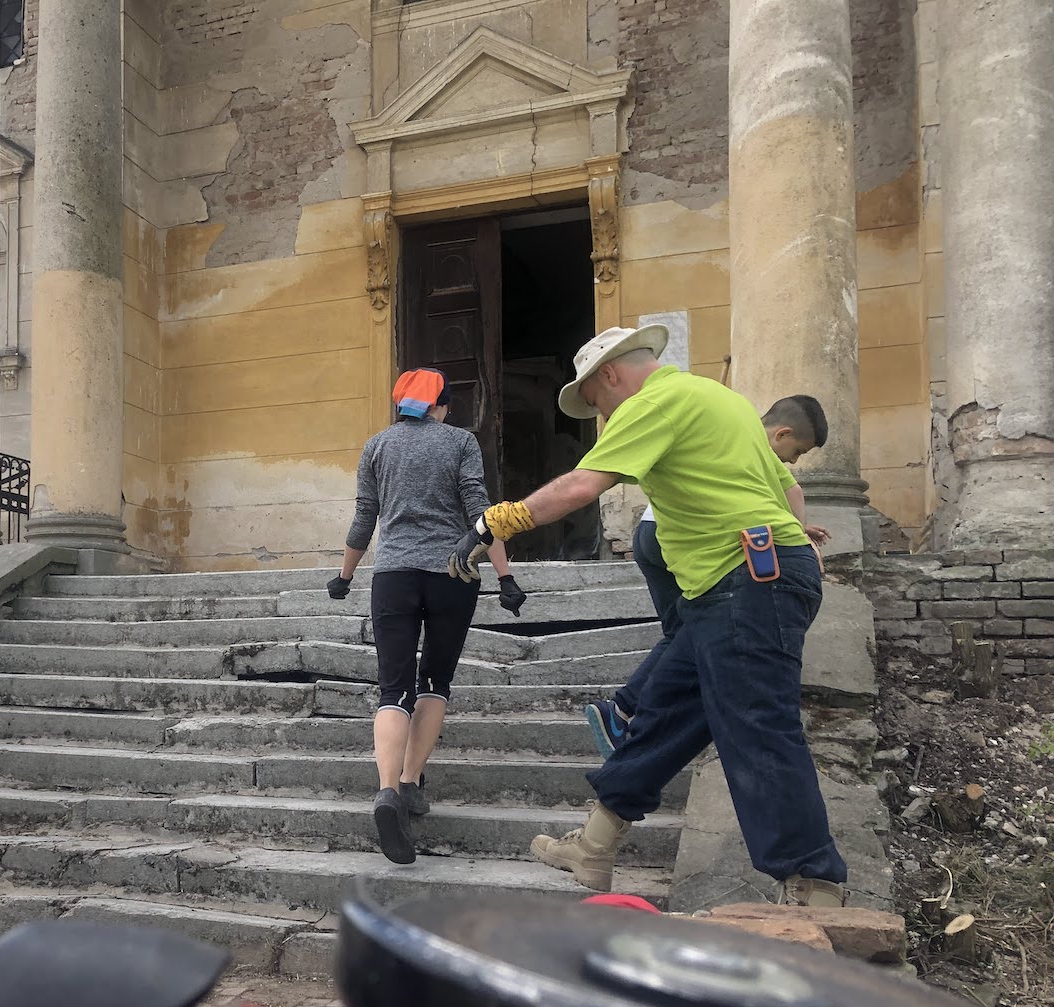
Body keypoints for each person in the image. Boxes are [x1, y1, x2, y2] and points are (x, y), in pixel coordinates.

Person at [448, 326, 848, 907]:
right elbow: (786, 489)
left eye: (594, 403)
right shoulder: (723, 400)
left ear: (608, 375)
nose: (600, 416)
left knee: (758, 726)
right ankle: (594, 845)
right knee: (668, 713)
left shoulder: (654, 400)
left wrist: (495, 523)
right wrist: (795, 546)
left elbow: (583, 484)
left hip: (744, 582)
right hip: (737, 581)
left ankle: (812, 883)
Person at [331, 367, 527, 866]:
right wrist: (504, 577)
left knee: (392, 687)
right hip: (453, 576)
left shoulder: (376, 446)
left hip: (393, 575)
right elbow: (482, 515)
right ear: (439, 404)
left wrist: (346, 576)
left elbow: (363, 516)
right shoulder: (460, 443)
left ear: (401, 405)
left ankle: (386, 792)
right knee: (435, 680)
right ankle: (410, 780)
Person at [583, 394, 833, 758]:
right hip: (674, 537)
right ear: (782, 433)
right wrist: (796, 539)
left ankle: (627, 715)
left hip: (649, 533)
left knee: (684, 633)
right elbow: (791, 489)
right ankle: (625, 712)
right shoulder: (752, 440)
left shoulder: (725, 427)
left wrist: (798, 527)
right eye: (798, 451)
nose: (793, 460)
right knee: (696, 630)